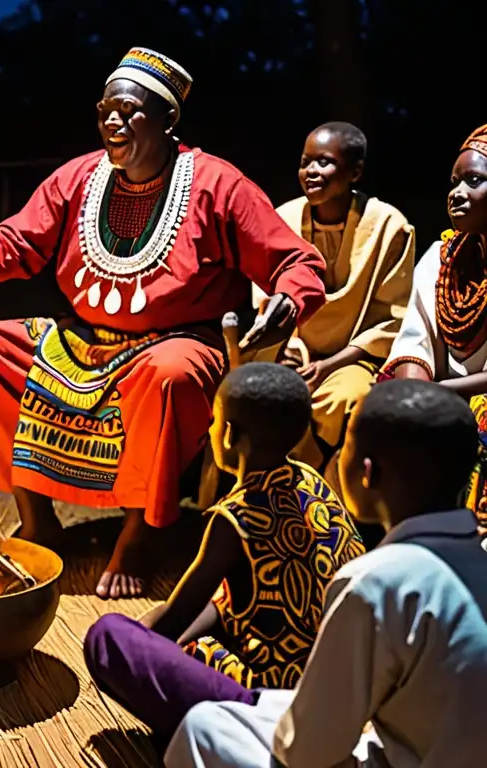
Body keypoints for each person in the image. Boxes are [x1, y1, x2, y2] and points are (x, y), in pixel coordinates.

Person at [0, 47, 328, 599]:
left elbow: (297, 261)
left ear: (169, 120)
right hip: (82, 339)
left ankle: (142, 533)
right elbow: (19, 240)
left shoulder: (218, 185)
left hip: (178, 343)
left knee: (168, 376)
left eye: (128, 110)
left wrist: (287, 302)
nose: (112, 121)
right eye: (105, 110)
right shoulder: (80, 177)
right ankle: (37, 518)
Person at [166, 380, 487, 768]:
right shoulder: (476, 558)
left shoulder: (376, 583)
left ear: (367, 473)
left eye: (346, 447)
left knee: (205, 728)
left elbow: (308, 753)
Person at [83, 363, 364, 750]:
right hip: (340, 687)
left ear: (229, 435)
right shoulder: (311, 480)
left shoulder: (235, 520)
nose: (210, 430)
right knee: (227, 596)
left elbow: (174, 619)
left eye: (214, 421)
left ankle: (205, 737)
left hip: (276, 705)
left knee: (109, 638)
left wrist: (141, 640)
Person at [254, 122, 414, 491]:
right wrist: (292, 347)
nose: (311, 172)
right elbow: (267, 300)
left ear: (355, 171)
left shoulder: (390, 227)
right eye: (305, 162)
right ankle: (267, 499)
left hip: (353, 358)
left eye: (324, 162)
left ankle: (328, 496)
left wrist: (328, 365)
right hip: (289, 350)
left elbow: (392, 320)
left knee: (350, 397)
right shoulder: (282, 220)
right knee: (256, 397)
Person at [381, 124, 487, 533]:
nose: (457, 192)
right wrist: (415, 394)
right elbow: (416, 339)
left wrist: (439, 394)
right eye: (454, 182)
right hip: (443, 389)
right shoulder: (441, 258)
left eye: (474, 181)